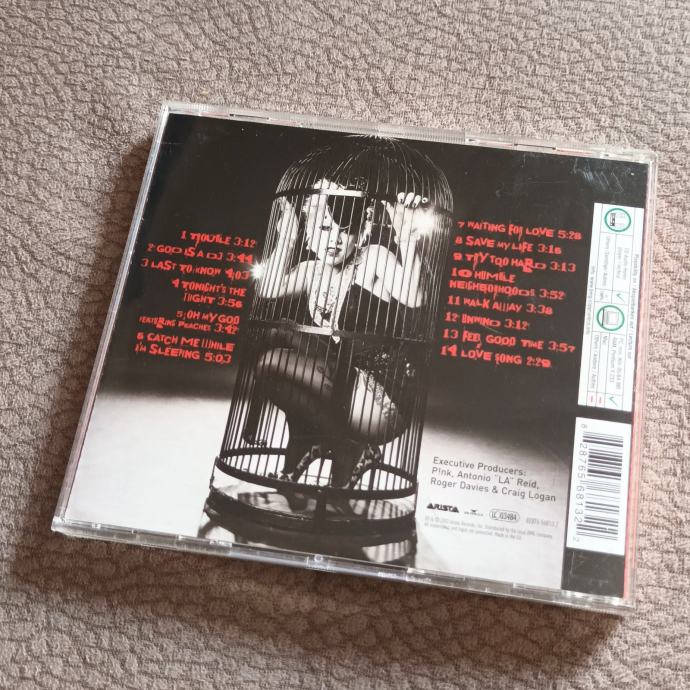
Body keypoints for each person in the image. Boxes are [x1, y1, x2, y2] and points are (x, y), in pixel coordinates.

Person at [245, 177, 436, 490]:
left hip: (378, 397)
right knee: (276, 343)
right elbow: (267, 289)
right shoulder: (312, 270)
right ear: (311, 230)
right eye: (324, 228)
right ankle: (330, 442)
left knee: (271, 360)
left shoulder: (373, 257)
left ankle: (335, 445)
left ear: (361, 231)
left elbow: (414, 297)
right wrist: (288, 237)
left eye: (345, 229)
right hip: (341, 386)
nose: (333, 239)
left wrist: (407, 239)